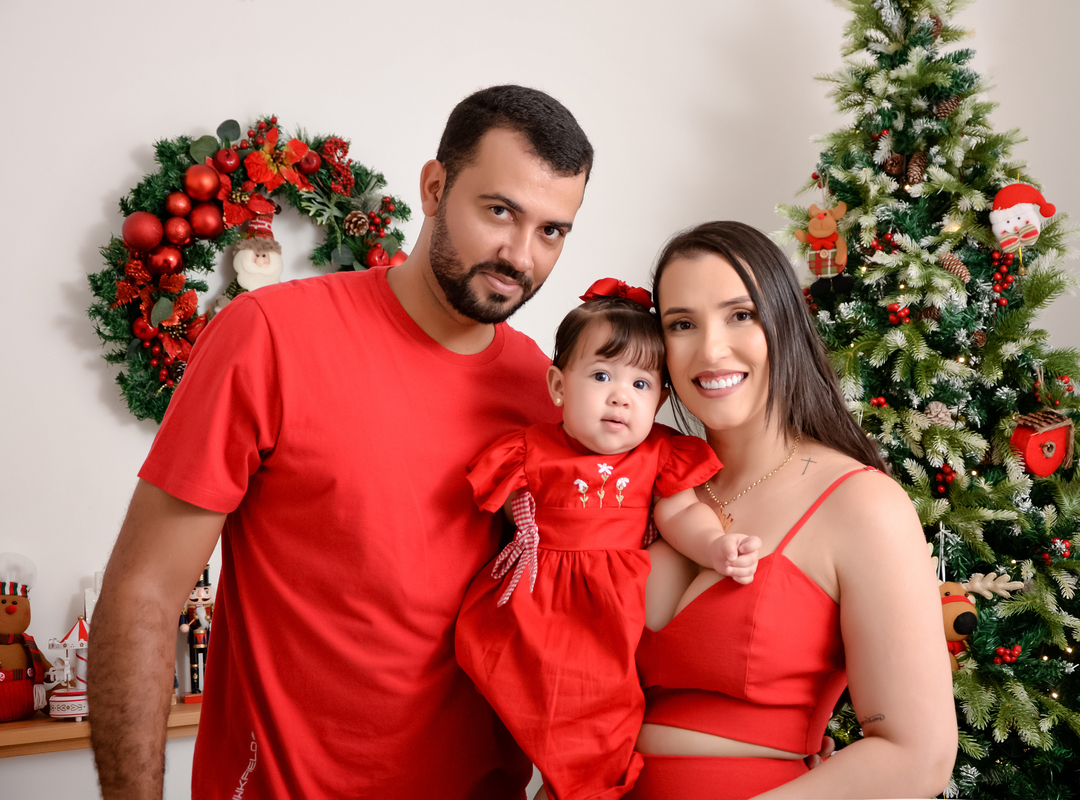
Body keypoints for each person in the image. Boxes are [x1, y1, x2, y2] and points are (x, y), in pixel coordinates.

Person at [88, 85, 593, 800]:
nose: (521, 255)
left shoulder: (549, 398)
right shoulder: (270, 336)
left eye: (552, 231)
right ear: (435, 188)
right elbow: (142, 595)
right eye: (500, 211)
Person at [628, 221, 958, 799]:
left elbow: (918, 756)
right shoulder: (646, 488)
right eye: (682, 324)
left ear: (784, 324)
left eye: (740, 315)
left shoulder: (862, 503)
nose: (710, 350)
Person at [455, 281, 761, 800]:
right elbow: (503, 513)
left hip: (609, 607)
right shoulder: (529, 449)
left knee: (600, 715)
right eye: (601, 376)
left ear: (660, 399)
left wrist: (715, 546)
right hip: (532, 604)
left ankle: (582, 788)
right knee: (514, 711)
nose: (620, 395)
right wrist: (525, 518)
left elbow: (681, 512)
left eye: (641, 384)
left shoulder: (658, 453)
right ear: (559, 386)